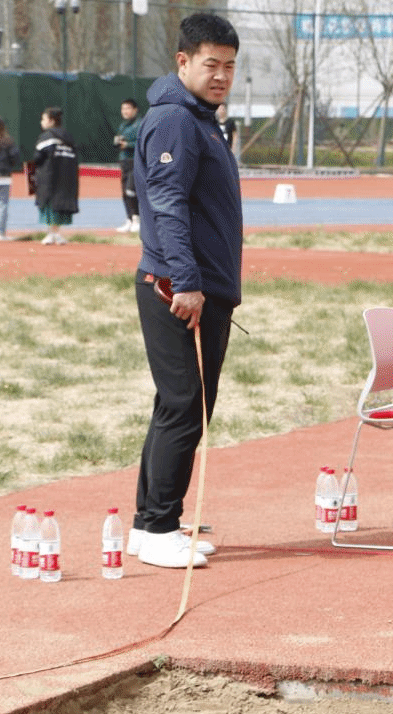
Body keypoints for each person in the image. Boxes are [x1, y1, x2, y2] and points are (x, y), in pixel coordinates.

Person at [130, 11, 241, 569]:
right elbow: (167, 204)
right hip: (178, 288)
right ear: (183, 61)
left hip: (198, 285)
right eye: (211, 64)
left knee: (176, 404)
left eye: (230, 66)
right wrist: (189, 282)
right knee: (185, 405)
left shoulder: (198, 117)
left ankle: (151, 521)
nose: (221, 75)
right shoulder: (176, 119)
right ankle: (157, 528)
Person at [33, 106, 80, 246]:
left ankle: (52, 234)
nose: (41, 122)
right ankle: (56, 233)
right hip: (66, 177)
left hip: (49, 177)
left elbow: (37, 157)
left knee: (50, 204)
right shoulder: (69, 137)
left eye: (44, 119)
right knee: (60, 203)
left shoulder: (46, 137)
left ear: (52, 121)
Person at [114, 99, 141, 233]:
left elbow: (142, 142)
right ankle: (129, 220)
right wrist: (118, 142)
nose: (125, 111)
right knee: (125, 192)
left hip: (135, 162)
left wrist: (128, 145)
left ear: (135, 110)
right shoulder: (123, 126)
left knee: (131, 191)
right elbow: (118, 141)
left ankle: (137, 220)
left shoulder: (140, 124)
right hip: (124, 162)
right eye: (123, 108)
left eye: (128, 108)